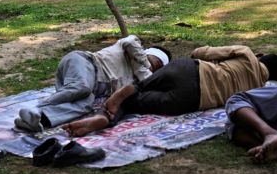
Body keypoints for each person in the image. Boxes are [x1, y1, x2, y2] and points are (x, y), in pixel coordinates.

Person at [62, 45, 277, 137]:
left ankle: (125, 92)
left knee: (136, 89)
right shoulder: (259, 90)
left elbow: (200, 52)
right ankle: (104, 119)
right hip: (191, 100)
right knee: (132, 103)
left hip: (190, 71)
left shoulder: (246, 53)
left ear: (260, 56)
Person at [14, 35, 171, 132]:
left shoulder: (138, 81)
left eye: (156, 68)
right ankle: (36, 106)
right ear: (147, 54)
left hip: (84, 88)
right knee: (82, 87)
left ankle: (36, 118)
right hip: (83, 63)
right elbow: (129, 40)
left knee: (85, 105)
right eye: (153, 62)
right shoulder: (130, 48)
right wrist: (143, 65)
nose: (151, 68)